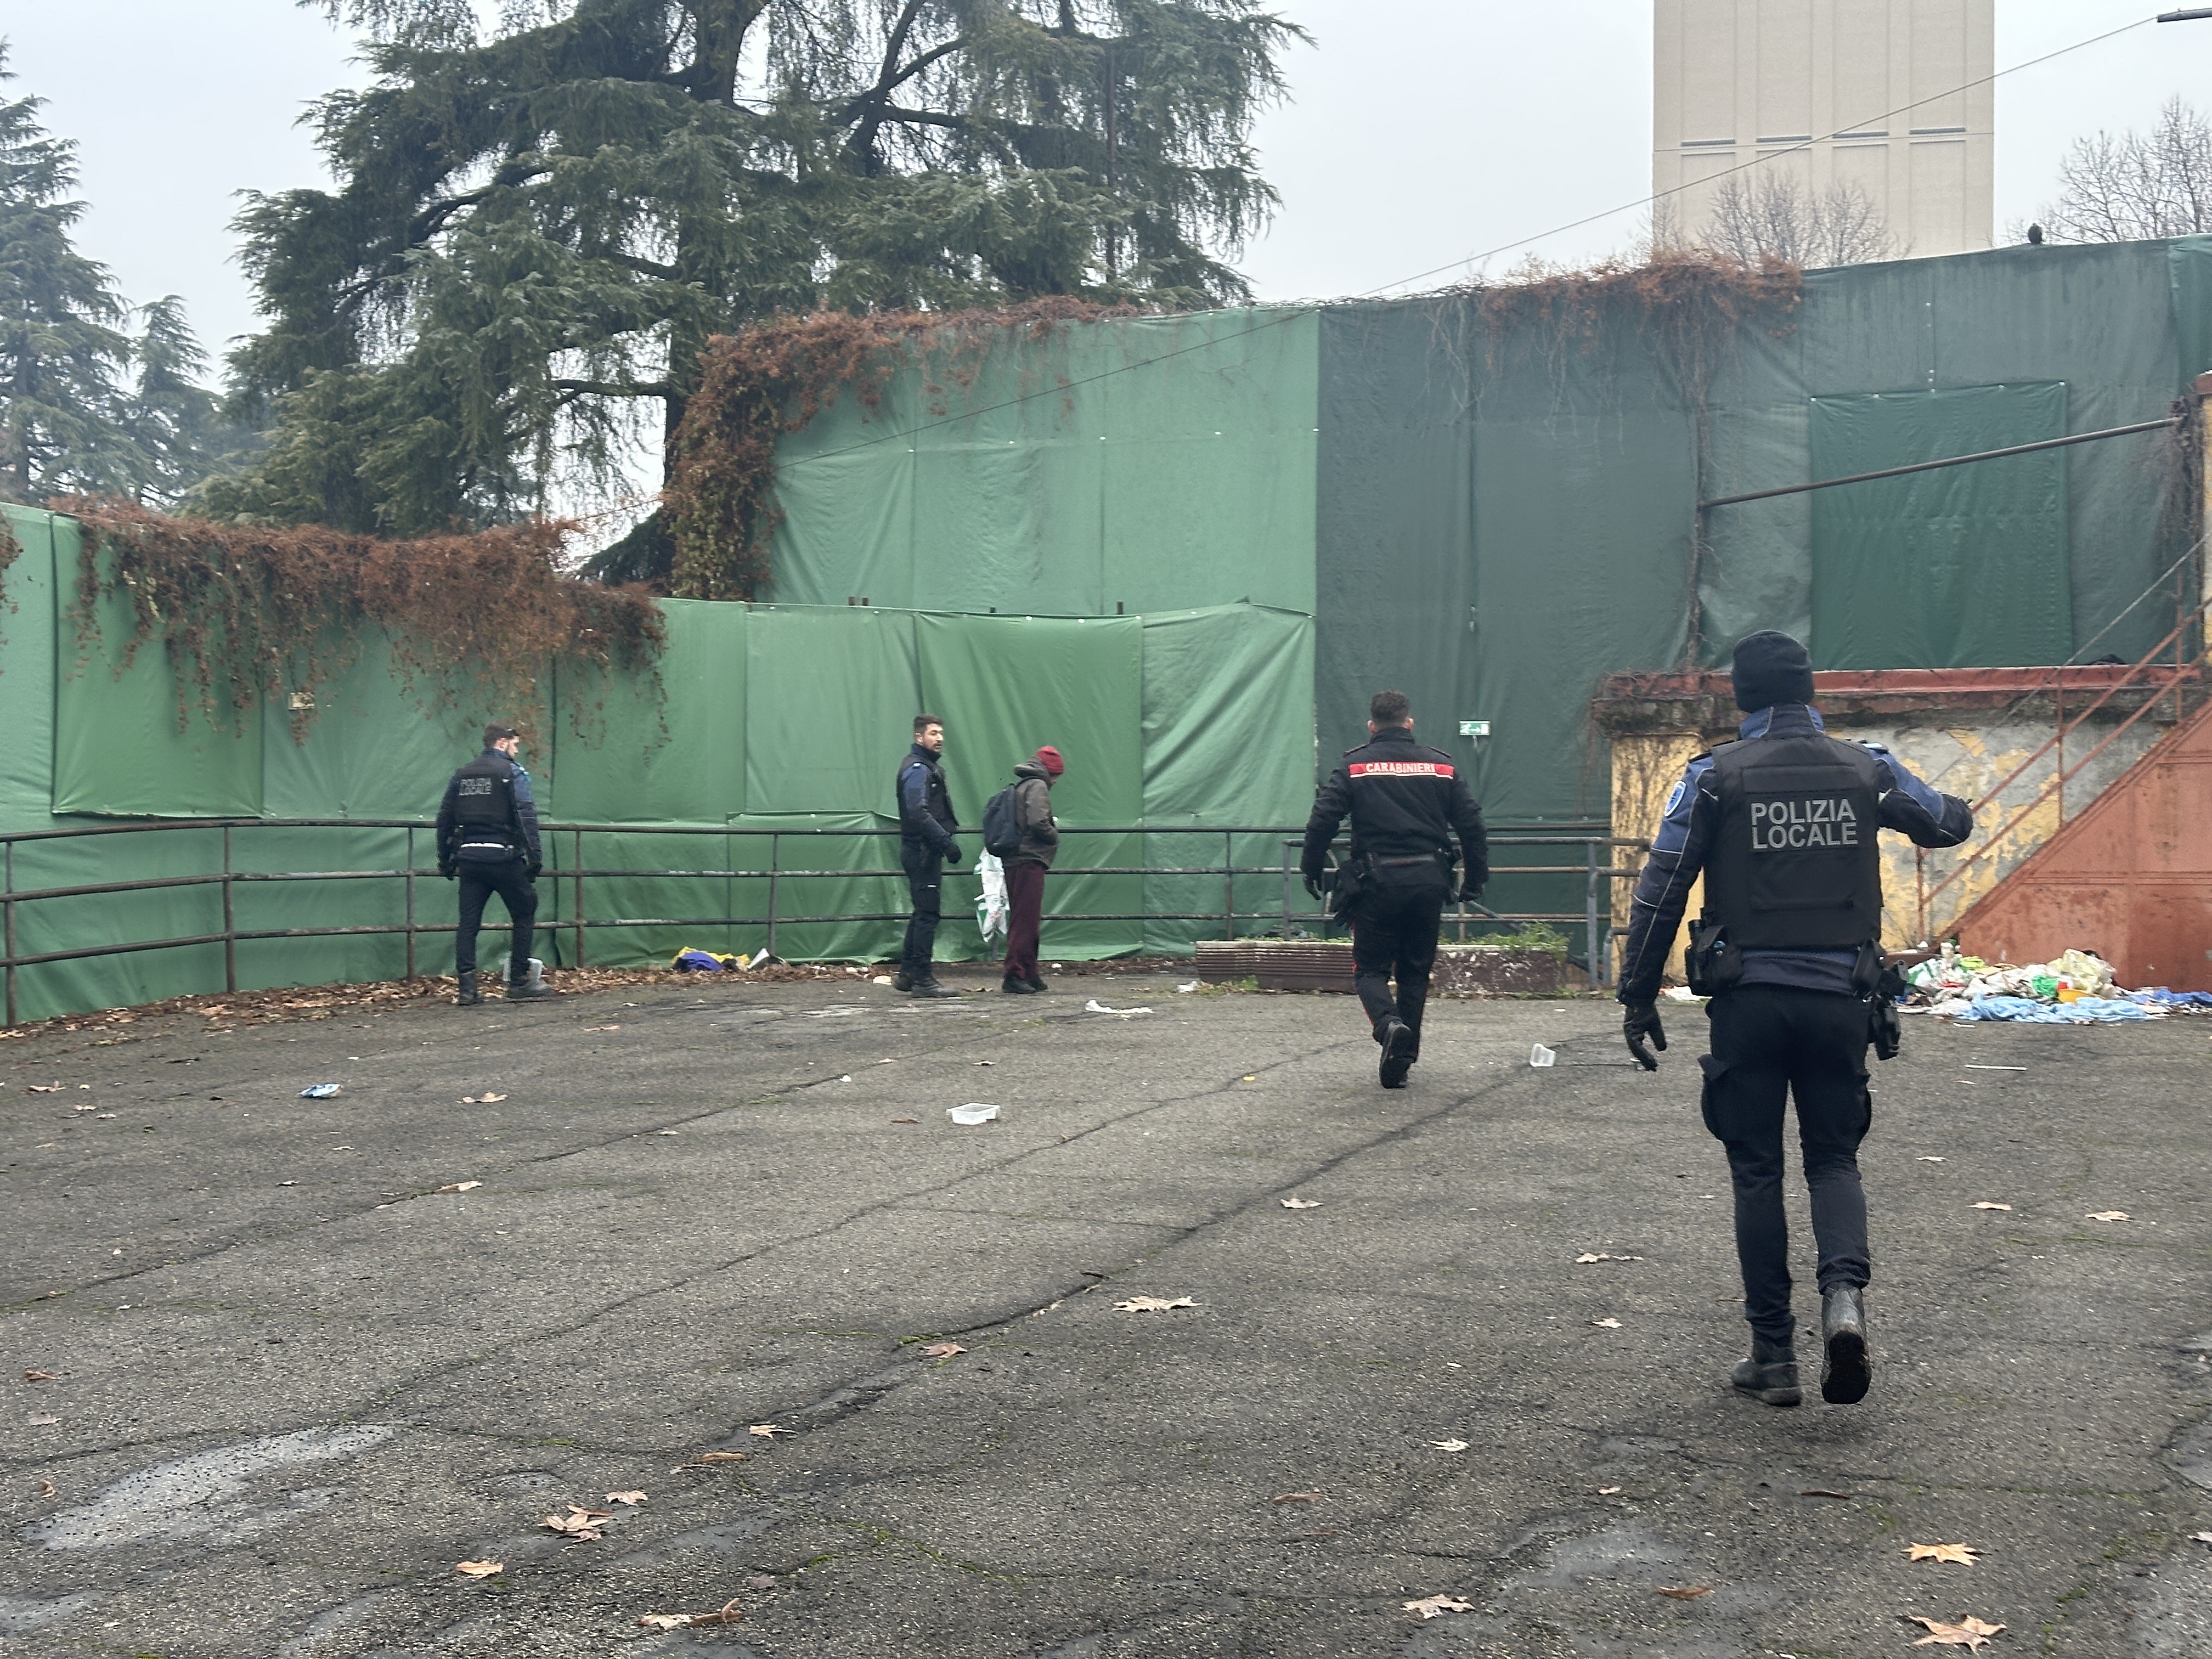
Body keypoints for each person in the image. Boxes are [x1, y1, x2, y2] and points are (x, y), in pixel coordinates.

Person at [1617, 630, 1972, 1409]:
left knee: (1757, 1171)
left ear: (1741, 697)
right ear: (1811, 692)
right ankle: (1843, 1300)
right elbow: (1948, 824)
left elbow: (1663, 888)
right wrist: (1926, 799)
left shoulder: (1713, 777)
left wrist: (1637, 994)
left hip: (1747, 1002)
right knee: (1833, 1159)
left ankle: (1773, 1356)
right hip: (1841, 998)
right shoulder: (1866, 768)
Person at [1300, 691, 1487, 1088]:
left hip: (1376, 885)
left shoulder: (1355, 766)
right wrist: (1474, 878)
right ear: (1409, 723)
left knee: (1370, 970)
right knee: (1415, 973)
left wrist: (1311, 868)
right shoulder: (1441, 766)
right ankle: (1401, 1062)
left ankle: (1388, 1026)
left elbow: (1323, 820)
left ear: (1372, 726)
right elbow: (1472, 824)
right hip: (1429, 883)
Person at [436, 723, 549, 1006]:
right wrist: (535, 858)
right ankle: (519, 980)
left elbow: (445, 818)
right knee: (525, 910)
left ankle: (467, 988)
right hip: (503, 857)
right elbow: (525, 815)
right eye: (515, 744)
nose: (517, 750)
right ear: (501, 742)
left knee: (468, 922)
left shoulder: (462, 774)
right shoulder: (512, 773)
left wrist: (445, 859)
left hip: (469, 858)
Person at [894, 713, 961, 998]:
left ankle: (909, 974)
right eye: (933, 733)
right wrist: (945, 843)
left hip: (921, 850)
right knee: (927, 914)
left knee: (922, 912)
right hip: (922, 851)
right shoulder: (919, 769)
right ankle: (922, 979)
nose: (940, 738)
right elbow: (917, 811)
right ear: (919, 737)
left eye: (941, 733)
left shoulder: (922, 767)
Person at [1000, 746, 1063, 994]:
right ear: (1048, 772)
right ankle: (1015, 974)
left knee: (1025, 918)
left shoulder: (1023, 785)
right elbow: (1038, 821)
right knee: (1025, 920)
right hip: (1028, 859)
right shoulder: (1038, 786)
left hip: (1016, 858)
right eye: (1055, 775)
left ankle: (1029, 972)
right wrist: (1054, 835)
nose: (1055, 781)